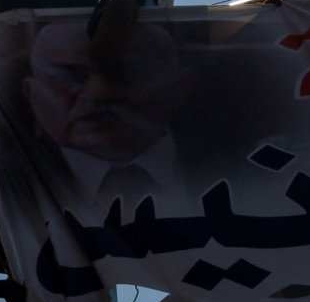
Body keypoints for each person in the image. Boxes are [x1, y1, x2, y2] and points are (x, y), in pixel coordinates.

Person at [23, 18, 194, 214]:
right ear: (32, 93)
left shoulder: (231, 154)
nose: (98, 92)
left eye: (126, 72)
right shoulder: (7, 182)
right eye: (69, 77)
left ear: (180, 87)